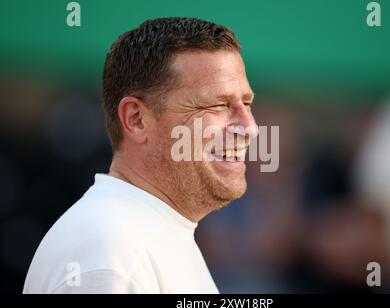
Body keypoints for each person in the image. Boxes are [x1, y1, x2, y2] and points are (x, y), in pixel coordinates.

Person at [23, 17, 258, 293]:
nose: (250, 128)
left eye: (246, 103)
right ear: (136, 119)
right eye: (217, 104)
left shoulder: (140, 239)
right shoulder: (111, 255)